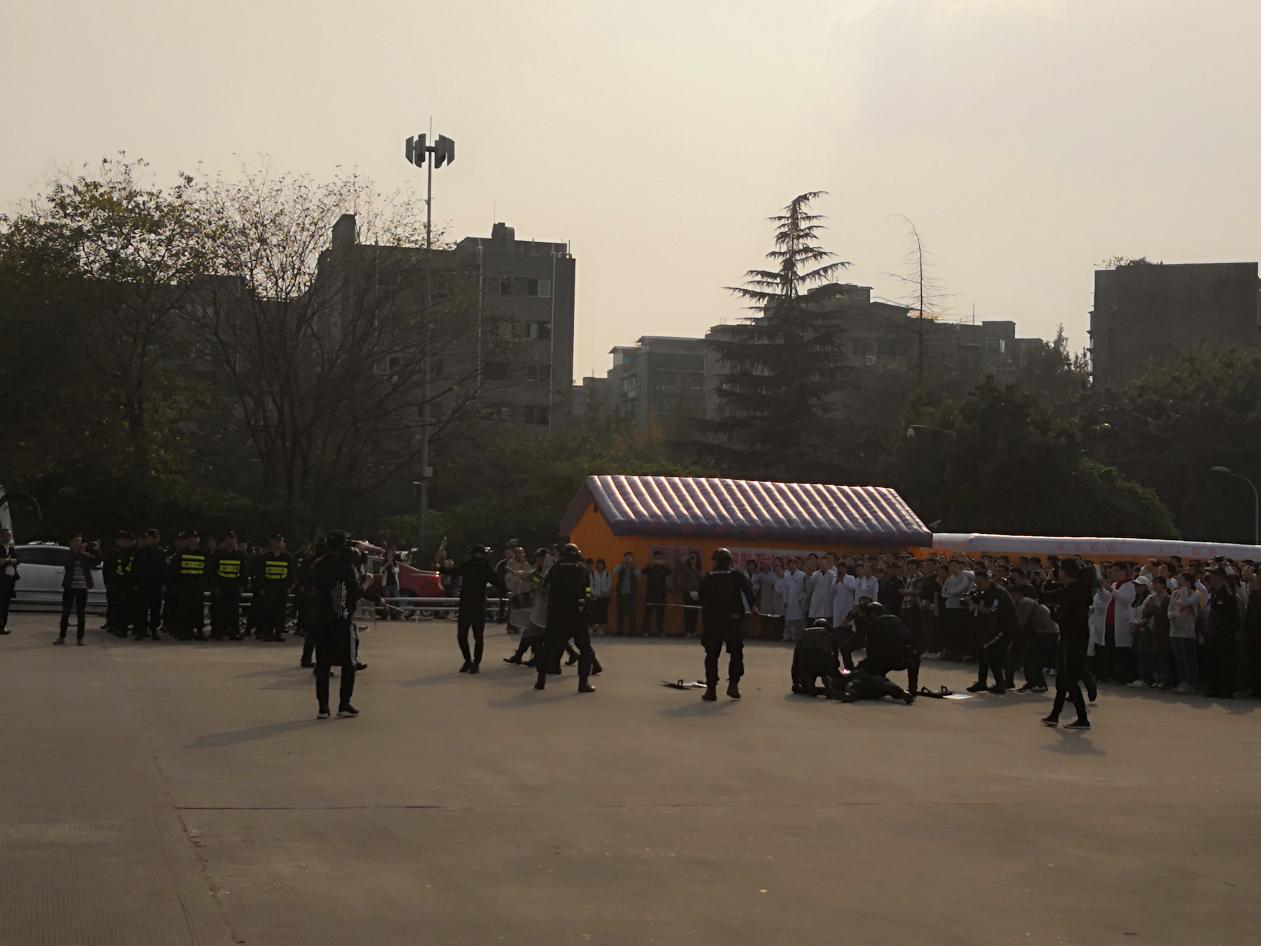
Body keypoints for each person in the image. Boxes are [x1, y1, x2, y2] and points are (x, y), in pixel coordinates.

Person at [311, 530, 363, 719]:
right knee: (349, 663)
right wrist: (367, 585)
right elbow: (354, 593)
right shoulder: (347, 567)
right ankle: (344, 704)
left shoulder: (318, 565)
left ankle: (323, 708)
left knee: (323, 665)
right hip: (342, 619)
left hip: (321, 619)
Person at [697, 548, 758, 702]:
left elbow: (700, 594)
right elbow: (748, 590)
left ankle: (711, 690)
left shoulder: (709, 576)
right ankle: (733, 685)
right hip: (733, 620)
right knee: (736, 653)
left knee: (712, 655)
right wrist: (753, 606)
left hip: (712, 621)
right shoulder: (736, 575)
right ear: (730, 561)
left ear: (715, 561)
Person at [534, 543, 596, 693]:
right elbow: (588, 591)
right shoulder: (582, 569)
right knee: (585, 650)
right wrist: (587, 603)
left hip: (556, 614)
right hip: (577, 614)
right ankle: (583, 683)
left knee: (548, 648)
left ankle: (540, 681)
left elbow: (544, 586)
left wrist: (535, 579)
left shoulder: (556, 568)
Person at [1040, 560, 1094, 729]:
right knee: (1063, 679)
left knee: (1069, 679)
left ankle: (1082, 719)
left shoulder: (1070, 591)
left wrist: (1048, 579)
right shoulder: (1083, 589)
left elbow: (1044, 595)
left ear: (1065, 572)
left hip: (1071, 638)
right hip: (1077, 637)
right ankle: (1055, 715)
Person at [440, 545, 505, 673]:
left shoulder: (473, 566)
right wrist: (506, 589)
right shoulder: (480, 567)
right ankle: (472, 662)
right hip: (475, 605)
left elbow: (454, 571)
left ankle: (470, 661)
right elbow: (497, 582)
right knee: (474, 637)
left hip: (469, 605)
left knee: (466, 636)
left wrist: (440, 568)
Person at [965, 570, 1016, 694]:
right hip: (993, 627)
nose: (978, 586)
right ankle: (982, 682)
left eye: (980, 583)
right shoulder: (985, 591)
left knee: (992, 653)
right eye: (976, 583)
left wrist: (972, 604)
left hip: (1005, 627)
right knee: (984, 651)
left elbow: (992, 610)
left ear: (988, 580)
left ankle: (1000, 683)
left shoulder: (998, 592)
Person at [56, 534, 100, 645]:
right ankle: (62, 637)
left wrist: (96, 549)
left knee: (81, 613)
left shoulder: (85, 556)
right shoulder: (68, 555)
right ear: (70, 542)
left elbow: (97, 561)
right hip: (70, 587)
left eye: (79, 541)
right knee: (66, 612)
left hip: (82, 588)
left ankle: (80, 638)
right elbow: (67, 563)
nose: (77, 543)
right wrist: (80, 553)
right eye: (75, 541)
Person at [1010, 584, 1055, 692]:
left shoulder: (1025, 602)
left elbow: (1021, 622)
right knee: (1031, 658)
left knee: (1031, 658)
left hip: (1046, 633)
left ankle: (1038, 683)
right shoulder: (1024, 602)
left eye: (1011, 595)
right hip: (1042, 632)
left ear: (1018, 594)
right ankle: (1033, 682)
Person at [252, 534, 295, 642]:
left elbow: (291, 573)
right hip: (269, 587)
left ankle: (278, 633)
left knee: (280, 611)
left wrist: (289, 586)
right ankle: (268, 633)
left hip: (282, 588)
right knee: (268, 611)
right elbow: (261, 573)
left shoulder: (287, 557)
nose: (277, 544)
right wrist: (261, 586)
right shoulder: (266, 557)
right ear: (272, 543)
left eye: (280, 541)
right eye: (276, 541)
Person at [1168, 571, 1202, 693]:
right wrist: (1171, 615)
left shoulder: (1195, 594)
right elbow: (1170, 607)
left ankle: (1191, 682)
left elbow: (1186, 602)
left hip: (1187, 629)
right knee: (1179, 657)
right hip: (1175, 627)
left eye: (1181, 579)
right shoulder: (1175, 593)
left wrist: (1184, 589)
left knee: (1188, 657)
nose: (1178, 580)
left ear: (1188, 581)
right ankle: (1182, 681)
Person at [210, 531, 247, 641]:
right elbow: (212, 571)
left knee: (234, 611)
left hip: (234, 586)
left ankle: (234, 632)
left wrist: (242, 586)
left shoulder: (240, 555)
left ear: (236, 540)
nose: (230, 541)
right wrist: (214, 586)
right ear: (225, 540)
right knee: (220, 610)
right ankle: (218, 632)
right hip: (221, 586)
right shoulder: (218, 555)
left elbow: (243, 572)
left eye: (233, 539)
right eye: (228, 539)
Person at [790, 618, 842, 696]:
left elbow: (796, 661)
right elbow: (836, 659)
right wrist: (835, 671)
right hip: (825, 665)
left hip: (807, 666)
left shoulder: (803, 637)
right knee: (840, 683)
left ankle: (810, 683)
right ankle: (829, 681)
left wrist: (795, 681)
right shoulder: (830, 636)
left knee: (805, 683)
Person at [133, 528, 166, 641]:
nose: (152, 540)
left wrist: (163, 583)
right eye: (150, 538)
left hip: (156, 585)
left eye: (155, 538)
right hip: (143, 584)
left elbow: (164, 569)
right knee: (141, 609)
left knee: (155, 609)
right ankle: (141, 630)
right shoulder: (140, 552)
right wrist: (136, 583)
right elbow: (136, 569)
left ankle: (154, 630)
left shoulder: (161, 552)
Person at [103, 530, 137, 638]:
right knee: (117, 606)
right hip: (117, 583)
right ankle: (116, 625)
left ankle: (123, 628)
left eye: (123, 540)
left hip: (128, 584)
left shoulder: (134, 553)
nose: (120, 542)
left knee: (126, 607)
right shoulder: (118, 552)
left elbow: (131, 569)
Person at [940, 559, 974, 659]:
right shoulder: (949, 578)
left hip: (960, 608)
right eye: (950, 566)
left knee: (959, 631)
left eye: (954, 566)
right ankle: (950, 652)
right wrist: (952, 592)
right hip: (949, 606)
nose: (952, 568)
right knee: (950, 631)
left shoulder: (964, 577)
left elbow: (960, 590)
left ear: (959, 566)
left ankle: (959, 653)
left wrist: (950, 592)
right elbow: (943, 592)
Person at [640, 552, 671, 636]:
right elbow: (642, 572)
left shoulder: (664, 567)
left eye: (659, 558)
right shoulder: (650, 567)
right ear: (653, 558)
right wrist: (650, 564)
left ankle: (660, 631)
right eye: (656, 558)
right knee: (648, 614)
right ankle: (645, 631)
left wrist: (665, 564)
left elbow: (670, 572)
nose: (658, 559)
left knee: (660, 615)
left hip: (661, 595)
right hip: (650, 595)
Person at [781, 556, 807, 642]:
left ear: (796, 565)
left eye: (793, 564)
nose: (791, 566)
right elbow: (785, 589)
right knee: (788, 620)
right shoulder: (786, 576)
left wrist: (801, 598)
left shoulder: (802, 575)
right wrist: (785, 600)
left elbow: (805, 589)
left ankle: (800, 637)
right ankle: (787, 636)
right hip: (789, 602)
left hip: (799, 601)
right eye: (790, 565)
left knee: (800, 621)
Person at [678, 551, 702, 638]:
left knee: (695, 612)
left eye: (694, 557)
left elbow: (701, 579)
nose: (693, 559)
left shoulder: (698, 568)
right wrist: (688, 558)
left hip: (697, 593)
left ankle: (693, 630)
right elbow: (681, 562)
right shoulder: (686, 567)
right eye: (692, 557)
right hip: (688, 592)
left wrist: (694, 567)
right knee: (688, 612)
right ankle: (687, 631)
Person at [612, 552, 638, 635]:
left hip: (631, 594)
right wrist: (621, 564)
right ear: (623, 558)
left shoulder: (634, 568)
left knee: (632, 613)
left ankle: (632, 631)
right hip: (621, 593)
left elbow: (639, 576)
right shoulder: (620, 566)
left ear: (632, 559)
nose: (628, 559)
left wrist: (633, 567)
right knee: (620, 612)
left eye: (629, 557)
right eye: (626, 557)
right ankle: (619, 630)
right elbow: (614, 572)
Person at [0, 528, 17, 635]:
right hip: (2, 579)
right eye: (6, 535)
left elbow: (18, 560)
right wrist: (8, 560)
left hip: (10, 579)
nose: (8, 537)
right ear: (1, 536)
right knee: (1, 603)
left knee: (6, 603)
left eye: (9, 535)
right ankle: (1, 626)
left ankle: (3, 625)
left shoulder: (11, 548)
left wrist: (8, 560)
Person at [589, 557, 612, 634]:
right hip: (595, 597)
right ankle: (595, 627)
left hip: (605, 596)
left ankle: (603, 627)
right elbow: (591, 586)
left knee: (603, 612)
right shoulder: (592, 574)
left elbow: (609, 585)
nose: (600, 566)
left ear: (604, 565)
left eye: (601, 564)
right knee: (595, 612)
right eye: (599, 564)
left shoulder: (608, 574)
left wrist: (603, 592)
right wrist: (596, 594)